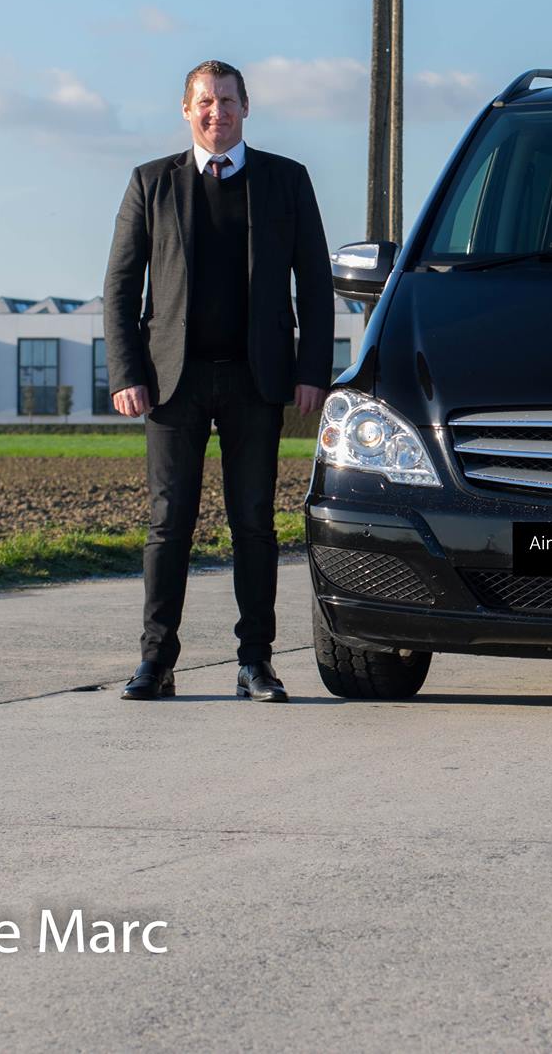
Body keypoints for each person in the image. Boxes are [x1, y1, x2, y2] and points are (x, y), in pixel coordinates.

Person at [103, 59, 332, 702]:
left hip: (256, 381)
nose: (217, 112)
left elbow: (314, 285)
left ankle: (255, 662)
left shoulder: (286, 181)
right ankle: (157, 663)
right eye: (205, 101)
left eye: (227, 101)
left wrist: (311, 371)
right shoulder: (151, 183)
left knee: (255, 523)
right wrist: (126, 371)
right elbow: (120, 287)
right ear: (186, 109)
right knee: (168, 522)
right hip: (172, 383)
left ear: (246, 108)